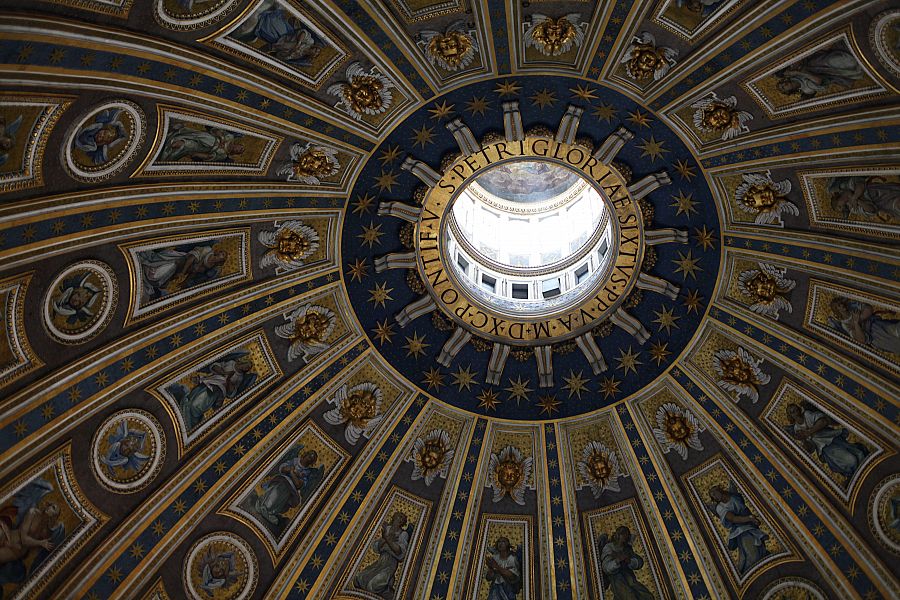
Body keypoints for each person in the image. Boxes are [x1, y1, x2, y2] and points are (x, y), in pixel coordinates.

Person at [785, 403, 869, 478]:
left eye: (796, 409)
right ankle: (854, 474)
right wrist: (804, 440)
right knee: (849, 461)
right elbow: (810, 449)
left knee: (856, 453)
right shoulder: (797, 428)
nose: (795, 412)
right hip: (824, 448)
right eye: (792, 412)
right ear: (790, 416)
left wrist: (809, 432)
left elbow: (823, 421)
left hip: (831, 437)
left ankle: (862, 465)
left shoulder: (807, 414)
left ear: (799, 409)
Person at [251, 448, 321, 528]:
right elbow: (282, 468)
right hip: (281, 481)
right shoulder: (295, 461)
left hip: (290, 490)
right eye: (309, 456)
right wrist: (290, 470)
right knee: (275, 493)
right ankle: (264, 506)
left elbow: (299, 485)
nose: (309, 459)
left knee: (281, 500)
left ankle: (270, 512)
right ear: (305, 454)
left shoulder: (307, 472)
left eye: (312, 459)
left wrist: (292, 472)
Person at [708, 484, 768, 574]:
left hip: (751, 525)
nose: (715, 497)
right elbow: (733, 518)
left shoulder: (733, 496)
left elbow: (744, 508)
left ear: (720, 490)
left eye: (715, 494)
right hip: (741, 530)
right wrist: (750, 518)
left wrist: (752, 519)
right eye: (713, 497)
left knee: (759, 549)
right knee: (751, 553)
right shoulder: (720, 507)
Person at [138, 243, 228, 299]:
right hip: (180, 260)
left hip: (182, 270)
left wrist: (184, 282)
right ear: (218, 252)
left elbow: (193, 273)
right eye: (222, 253)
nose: (221, 255)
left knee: (164, 281)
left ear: (221, 261)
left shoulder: (209, 267)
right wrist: (182, 272)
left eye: (223, 256)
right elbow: (191, 258)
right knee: (158, 271)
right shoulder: (207, 250)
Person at [354, 512, 409, 598]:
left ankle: (388, 589)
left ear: (404, 522)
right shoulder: (387, 529)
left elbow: (398, 551)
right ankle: (387, 587)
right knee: (359, 579)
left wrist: (387, 539)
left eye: (403, 518)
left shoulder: (403, 534)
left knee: (373, 585)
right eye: (399, 516)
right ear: (394, 517)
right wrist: (388, 541)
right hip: (381, 561)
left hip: (390, 563)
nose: (400, 519)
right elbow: (377, 546)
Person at [776, 47, 864, 98]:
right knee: (838, 61)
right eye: (783, 87)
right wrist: (799, 72)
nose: (784, 84)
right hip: (827, 70)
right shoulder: (806, 89)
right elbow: (821, 81)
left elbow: (798, 61)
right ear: (790, 91)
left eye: (781, 83)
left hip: (816, 59)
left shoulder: (791, 75)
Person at [828, 297, 900, 355]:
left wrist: (859, 319)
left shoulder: (852, 307)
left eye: (841, 303)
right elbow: (861, 339)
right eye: (839, 305)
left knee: (895, 329)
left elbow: (869, 309)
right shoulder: (845, 324)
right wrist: (856, 323)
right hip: (876, 338)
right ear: (837, 310)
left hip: (877, 325)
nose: (842, 305)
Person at [600, 526, 654, 600]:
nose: (625, 537)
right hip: (617, 579)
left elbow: (639, 562)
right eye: (623, 534)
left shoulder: (627, 548)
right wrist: (617, 561)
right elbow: (606, 567)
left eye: (627, 535)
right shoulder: (609, 547)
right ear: (618, 535)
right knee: (629, 596)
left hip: (629, 577)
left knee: (646, 596)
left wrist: (629, 561)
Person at [828, 176, 900, 224]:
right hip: (884, 204)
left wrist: (854, 197)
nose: (843, 207)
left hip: (880, 190)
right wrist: (858, 201)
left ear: (837, 199)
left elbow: (860, 185)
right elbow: (872, 210)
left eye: (839, 206)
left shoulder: (847, 186)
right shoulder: (853, 208)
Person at [159, 123, 245, 163]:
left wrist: (198, 155)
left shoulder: (224, 155)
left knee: (185, 145)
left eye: (239, 152)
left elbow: (210, 157)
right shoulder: (230, 137)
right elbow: (216, 130)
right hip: (208, 138)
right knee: (207, 138)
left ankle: (167, 149)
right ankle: (176, 132)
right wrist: (222, 138)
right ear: (238, 144)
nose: (238, 150)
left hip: (203, 149)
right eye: (240, 148)